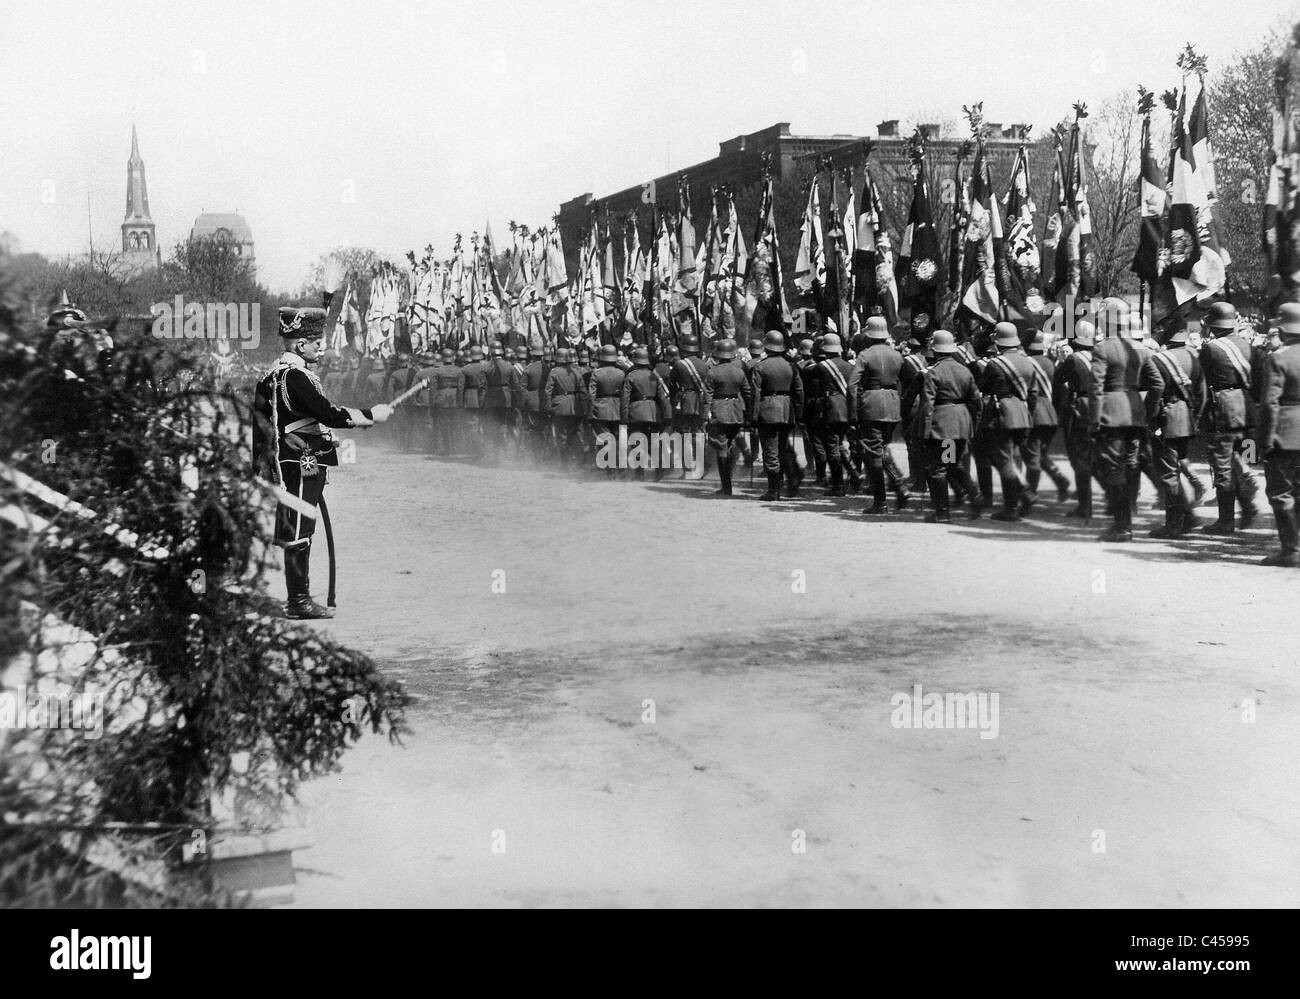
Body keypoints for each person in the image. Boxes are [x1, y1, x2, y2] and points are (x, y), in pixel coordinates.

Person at [253, 306, 391, 619]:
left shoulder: (269, 376)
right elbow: (327, 413)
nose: (322, 347)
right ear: (300, 345)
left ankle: (298, 599)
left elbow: (260, 428)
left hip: (286, 463)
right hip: (303, 462)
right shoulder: (297, 378)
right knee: (300, 528)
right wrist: (370, 416)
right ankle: (298, 602)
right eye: (316, 342)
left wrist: (260, 467)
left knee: (296, 525)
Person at [1198, 301, 1262, 534]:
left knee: (1222, 464)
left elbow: (1202, 383)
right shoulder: (1248, 346)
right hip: (1246, 409)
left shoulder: (1210, 349)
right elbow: (1258, 380)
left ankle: (1226, 521)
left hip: (1223, 410)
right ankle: (1247, 506)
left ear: (1212, 325)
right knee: (1242, 459)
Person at [1141, 321, 1206, 538]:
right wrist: (1193, 418)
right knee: (1176, 469)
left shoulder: (1156, 359)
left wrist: (1149, 419)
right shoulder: (1193, 358)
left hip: (1166, 420)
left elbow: (1155, 389)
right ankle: (1188, 516)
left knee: (1168, 475)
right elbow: (1202, 393)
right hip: (1186, 419)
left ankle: (1174, 524)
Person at [1088, 309, 1147, 542]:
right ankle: (1129, 511)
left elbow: (1096, 387)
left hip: (1112, 412)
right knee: (1131, 462)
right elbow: (1154, 382)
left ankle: (1122, 526)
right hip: (1135, 411)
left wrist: (1094, 419)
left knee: (1114, 468)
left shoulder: (1103, 347)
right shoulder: (1141, 348)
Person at [917, 330, 983, 522]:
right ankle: (975, 496)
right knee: (953, 464)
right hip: (960, 423)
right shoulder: (964, 370)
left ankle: (942, 513)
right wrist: (972, 425)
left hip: (942, 425)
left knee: (939, 468)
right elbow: (976, 402)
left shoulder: (934, 372)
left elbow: (927, 404)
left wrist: (924, 431)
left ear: (935, 351)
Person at [980, 322, 1038, 522]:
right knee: (1015, 460)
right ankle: (1018, 498)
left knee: (1003, 461)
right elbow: (1033, 394)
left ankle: (1015, 502)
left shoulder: (995, 364)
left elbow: (985, 388)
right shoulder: (1028, 362)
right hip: (1023, 415)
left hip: (1002, 415)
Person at [852, 316, 908, 513]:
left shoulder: (864, 355)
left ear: (869, 335)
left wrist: (853, 412)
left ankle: (881, 502)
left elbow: (852, 385)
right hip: (892, 404)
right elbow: (906, 382)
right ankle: (899, 487)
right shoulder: (897, 355)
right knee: (882, 449)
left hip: (871, 405)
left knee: (873, 454)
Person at [1258, 302, 1300, 565]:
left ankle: (1291, 550)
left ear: (1283, 330)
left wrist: (1263, 441)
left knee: (1281, 494)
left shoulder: (1278, 357)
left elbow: (1270, 404)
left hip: (1285, 433)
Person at [749, 329, 805, 500]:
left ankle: (774, 490)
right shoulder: (791, 366)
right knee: (784, 448)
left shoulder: (760, 366)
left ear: (767, 346)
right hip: (787, 410)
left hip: (768, 411)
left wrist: (753, 417)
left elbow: (755, 394)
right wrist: (799, 413)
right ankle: (793, 478)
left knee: (770, 450)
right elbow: (799, 391)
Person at [1023, 331, 1072, 512]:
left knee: (1032, 456)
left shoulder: (1026, 363)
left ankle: (1030, 496)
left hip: (1034, 413)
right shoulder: (1050, 364)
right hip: (1051, 413)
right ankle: (1061, 480)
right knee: (1040, 453)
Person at [703, 337, 753, 496]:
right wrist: (749, 414)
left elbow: (707, 396)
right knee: (730, 446)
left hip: (719, 411)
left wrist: (705, 415)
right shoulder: (739, 372)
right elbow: (748, 394)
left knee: (721, 448)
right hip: (736, 411)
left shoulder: (712, 372)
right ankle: (728, 482)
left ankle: (726, 486)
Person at [814, 332, 858, 496]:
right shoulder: (850, 366)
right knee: (841, 445)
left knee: (832, 447)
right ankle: (853, 474)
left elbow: (809, 377)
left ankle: (838, 485)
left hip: (831, 410)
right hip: (848, 409)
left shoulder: (821, 366)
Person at [621, 346, 672, 480]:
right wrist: (667, 415)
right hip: (653, 412)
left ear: (635, 361)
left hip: (636, 412)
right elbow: (662, 397)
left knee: (637, 443)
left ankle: (639, 474)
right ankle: (659, 472)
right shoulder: (654, 375)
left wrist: (624, 418)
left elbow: (625, 399)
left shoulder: (631, 376)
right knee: (654, 442)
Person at [589, 344, 626, 477]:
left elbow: (591, 395)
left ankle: (610, 469)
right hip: (618, 408)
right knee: (617, 438)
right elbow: (625, 394)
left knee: (605, 439)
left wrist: (591, 411)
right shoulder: (621, 373)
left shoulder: (596, 373)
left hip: (601, 409)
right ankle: (620, 467)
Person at [545, 347, 585, 469]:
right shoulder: (577, 372)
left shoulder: (554, 372)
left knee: (561, 437)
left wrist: (548, 407)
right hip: (575, 406)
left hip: (559, 407)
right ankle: (578, 462)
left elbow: (548, 391)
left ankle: (565, 464)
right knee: (573, 435)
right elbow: (583, 392)